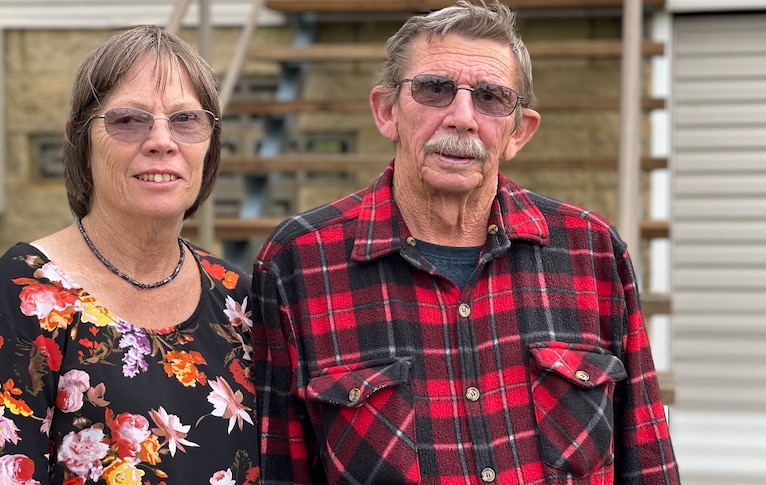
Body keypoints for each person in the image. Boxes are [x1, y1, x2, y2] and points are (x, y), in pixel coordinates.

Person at [251, 1, 679, 483]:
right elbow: (278, 471)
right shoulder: (298, 264)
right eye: (435, 89)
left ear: (519, 132)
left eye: (491, 98)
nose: (462, 117)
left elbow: (649, 464)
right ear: (386, 111)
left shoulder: (593, 253)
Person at [0, 25, 258, 484]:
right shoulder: (25, 292)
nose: (161, 141)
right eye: (128, 120)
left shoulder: (239, 301)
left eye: (185, 120)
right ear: (80, 139)